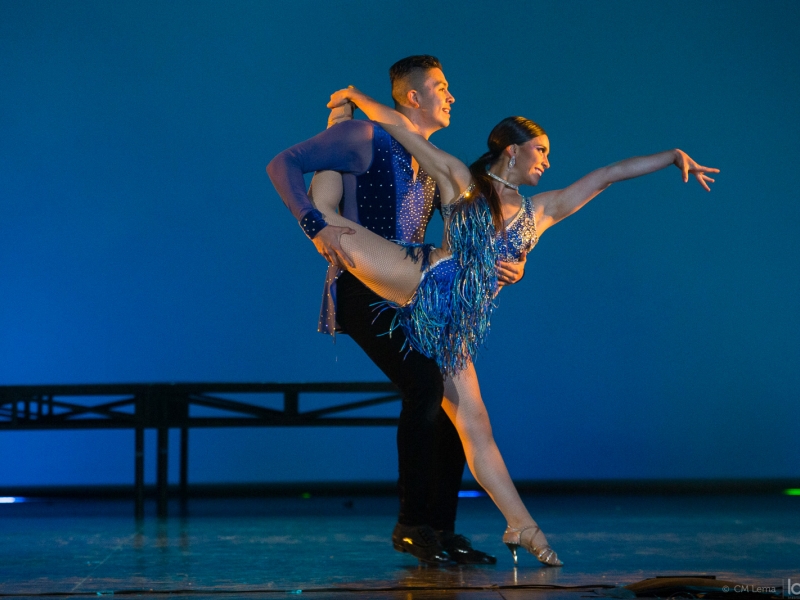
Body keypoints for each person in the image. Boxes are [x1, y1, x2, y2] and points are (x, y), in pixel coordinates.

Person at [269, 86, 718, 567]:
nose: (547, 160)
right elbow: (401, 129)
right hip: (420, 283)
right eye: (540, 149)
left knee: (475, 427)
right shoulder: (462, 182)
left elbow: (607, 176)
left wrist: (672, 156)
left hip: (455, 325)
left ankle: (521, 525)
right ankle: (329, 159)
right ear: (512, 150)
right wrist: (356, 99)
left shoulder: (539, 212)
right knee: (334, 221)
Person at [267, 56, 525, 565]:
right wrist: (312, 224)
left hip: (414, 294)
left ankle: (440, 529)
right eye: (441, 87)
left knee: (447, 397)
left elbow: (465, 228)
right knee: (424, 384)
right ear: (412, 98)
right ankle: (411, 524)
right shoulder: (364, 136)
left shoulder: (427, 161)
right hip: (364, 288)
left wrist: (500, 264)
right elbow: (282, 163)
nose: (451, 96)